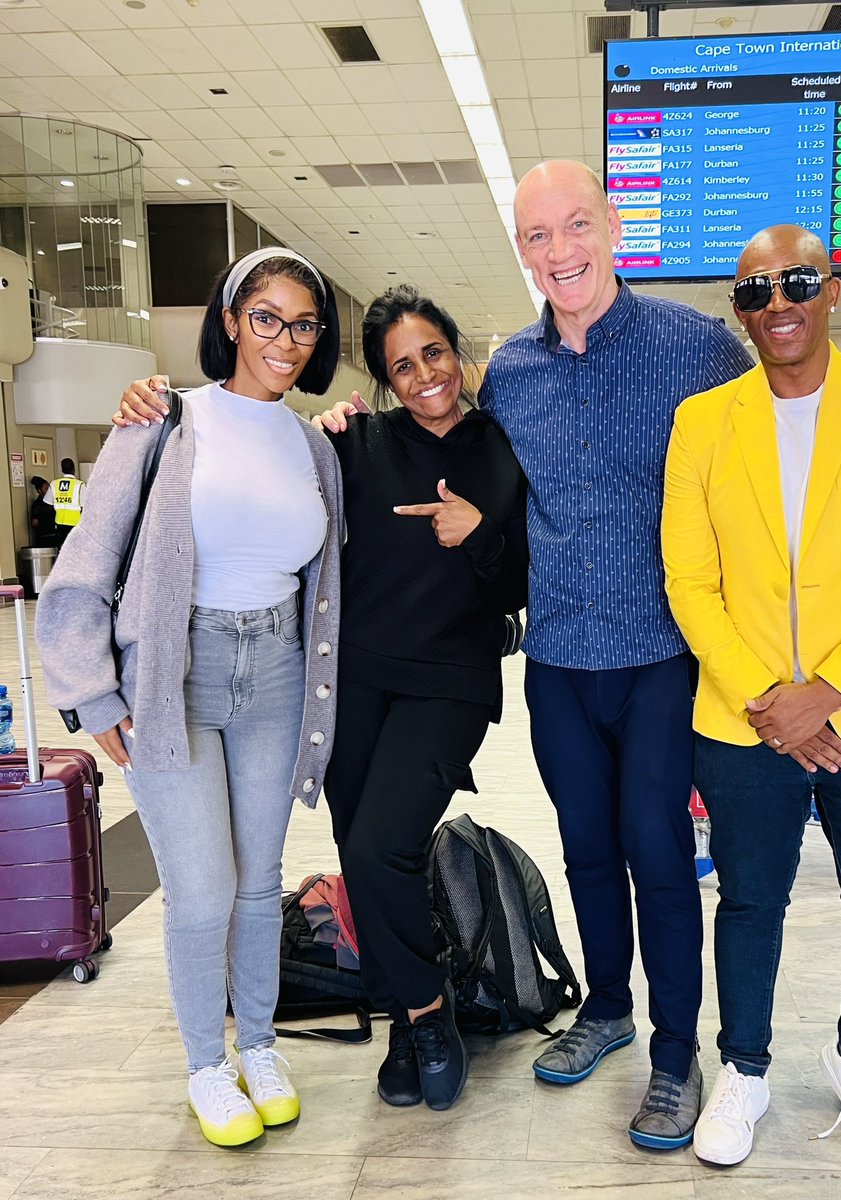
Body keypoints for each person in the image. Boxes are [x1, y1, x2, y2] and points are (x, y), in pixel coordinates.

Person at [473, 160, 841, 1152]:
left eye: (576, 225)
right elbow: (471, 476)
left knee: (664, 859)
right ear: (522, 249)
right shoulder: (508, 373)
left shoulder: (696, 349)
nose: (560, 251)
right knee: (591, 854)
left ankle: (680, 1058)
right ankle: (609, 1009)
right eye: (537, 236)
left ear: (611, 229)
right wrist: (354, 434)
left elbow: (808, 447)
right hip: (564, 660)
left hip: (666, 659)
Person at [115, 285, 529, 1115]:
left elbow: (522, 585)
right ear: (381, 379)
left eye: (434, 355)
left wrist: (477, 533)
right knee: (361, 853)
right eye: (401, 366)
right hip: (347, 688)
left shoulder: (503, 449)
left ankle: (425, 1011)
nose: (423, 378)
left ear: (460, 354)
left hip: (448, 688)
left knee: (381, 847)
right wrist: (148, 402)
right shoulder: (350, 445)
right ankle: (406, 1027)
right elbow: (275, 481)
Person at [36, 247, 345, 1148]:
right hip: (177, 669)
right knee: (202, 890)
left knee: (258, 889)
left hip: (277, 671)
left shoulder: (311, 444)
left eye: (302, 323)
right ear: (228, 320)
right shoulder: (163, 420)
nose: (283, 340)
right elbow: (87, 566)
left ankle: (257, 1045)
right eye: (266, 317)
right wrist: (93, 695)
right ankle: (205, 1064)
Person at [662, 225, 841, 1168]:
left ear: (831, 291)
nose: (775, 303)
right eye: (753, 291)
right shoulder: (702, 421)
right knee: (748, 900)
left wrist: (820, 695)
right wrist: (766, 700)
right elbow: (688, 584)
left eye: (794, 283)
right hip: (744, 718)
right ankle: (741, 1070)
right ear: (738, 311)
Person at [44, 457, 84, 549]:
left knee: (63, 550)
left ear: (62, 469)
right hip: (76, 524)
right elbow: (84, 506)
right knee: (75, 551)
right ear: (74, 468)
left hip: (60, 525)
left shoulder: (54, 484)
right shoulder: (80, 485)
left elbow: (47, 504)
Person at [29, 475, 57, 548]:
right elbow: (34, 523)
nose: (48, 491)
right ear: (39, 491)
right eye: (46, 488)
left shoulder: (54, 502)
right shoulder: (38, 504)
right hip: (44, 538)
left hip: (55, 536)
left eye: (49, 488)